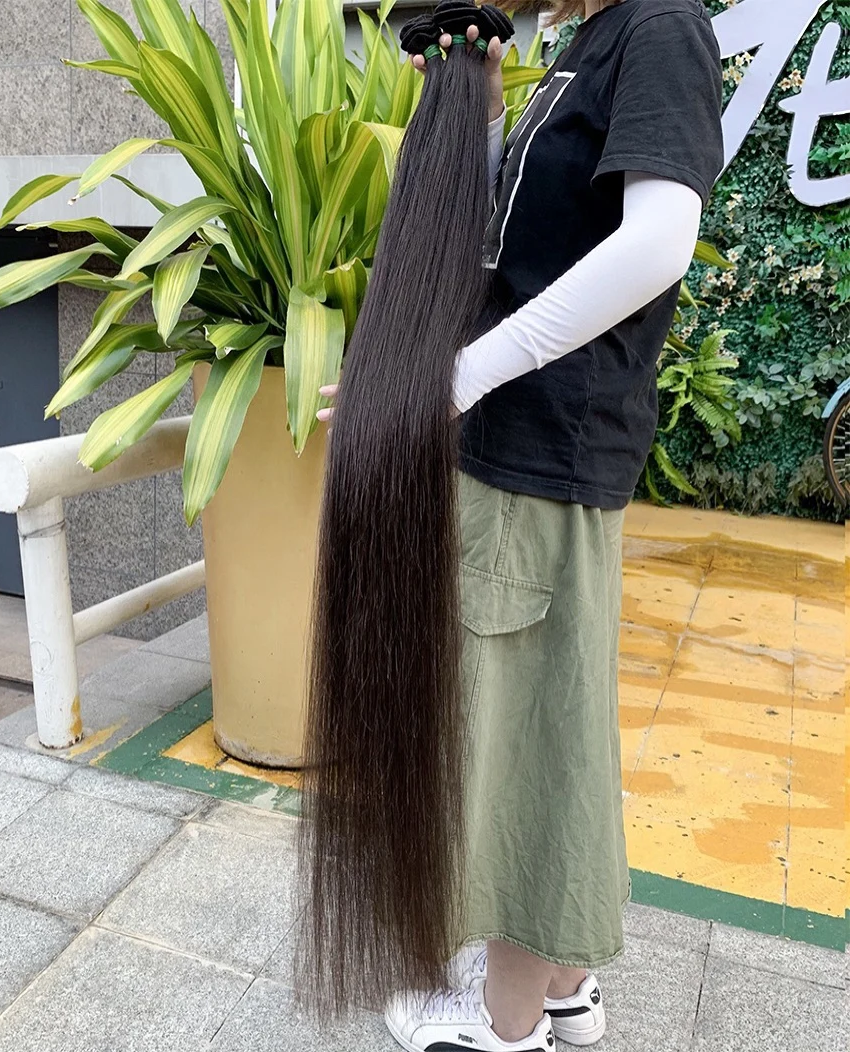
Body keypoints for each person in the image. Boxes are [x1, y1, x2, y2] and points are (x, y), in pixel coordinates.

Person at [318, 1, 724, 1049]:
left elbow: (656, 246)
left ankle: (501, 1023)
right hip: (522, 451)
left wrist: (458, 377)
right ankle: (563, 986)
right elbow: (528, 242)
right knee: (549, 725)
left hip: (541, 457)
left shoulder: (660, 28)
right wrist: (487, 111)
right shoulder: (591, 43)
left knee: (512, 750)